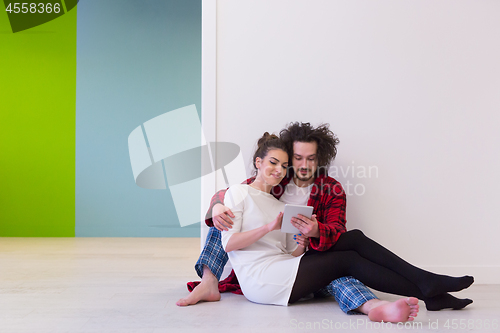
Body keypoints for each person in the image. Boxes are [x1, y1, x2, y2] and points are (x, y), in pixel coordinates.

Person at [177, 123, 472, 320]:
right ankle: (427, 286)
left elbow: (333, 232)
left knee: (348, 256)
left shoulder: (330, 188)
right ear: (286, 158)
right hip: (279, 272)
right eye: (296, 158)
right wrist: (215, 205)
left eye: (311, 158)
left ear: (320, 159)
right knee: (222, 222)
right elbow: (235, 196)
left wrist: (313, 234)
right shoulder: (274, 181)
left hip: (307, 261)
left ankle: (403, 298)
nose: (302, 165)